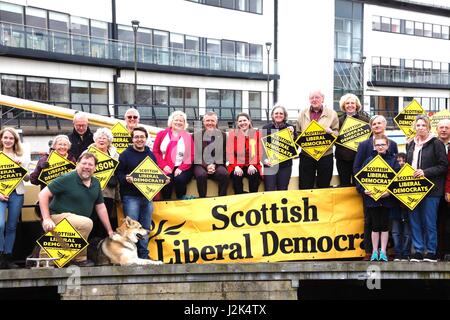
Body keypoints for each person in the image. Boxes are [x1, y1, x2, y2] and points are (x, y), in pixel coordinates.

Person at [39, 152, 114, 267]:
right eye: (84, 163)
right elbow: (43, 195)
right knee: (86, 223)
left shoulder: (96, 183)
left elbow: (101, 207)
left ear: (95, 168)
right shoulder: (67, 178)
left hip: (77, 223)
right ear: (77, 164)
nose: (87, 167)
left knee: (84, 223)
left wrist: (109, 230)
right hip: (57, 218)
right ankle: (76, 259)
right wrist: (46, 219)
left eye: (90, 164)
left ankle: (71, 258)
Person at [353, 115, 398, 260]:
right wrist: (362, 189)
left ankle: (385, 251)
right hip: (370, 193)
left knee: (386, 223)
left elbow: (397, 173)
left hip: (387, 196)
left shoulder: (393, 145)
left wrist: (389, 191)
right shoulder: (364, 146)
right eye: (374, 123)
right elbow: (358, 169)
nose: (377, 125)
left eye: (380, 123)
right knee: (369, 222)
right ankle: (369, 251)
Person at [406, 115, 448, 262]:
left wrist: (425, 172)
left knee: (430, 222)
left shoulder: (436, 143)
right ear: (414, 127)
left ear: (429, 127)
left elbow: (443, 166)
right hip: (413, 189)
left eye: (424, 125)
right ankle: (417, 251)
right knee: (414, 220)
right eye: (418, 125)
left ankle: (431, 251)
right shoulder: (410, 144)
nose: (421, 128)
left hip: (432, 189)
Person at [116, 127, 159, 260]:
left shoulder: (151, 155)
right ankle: (130, 256)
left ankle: (144, 255)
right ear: (132, 139)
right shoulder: (124, 155)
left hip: (147, 197)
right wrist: (126, 178)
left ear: (146, 139)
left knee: (145, 228)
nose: (139, 139)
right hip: (130, 197)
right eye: (136, 137)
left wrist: (164, 180)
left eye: (142, 137)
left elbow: (155, 174)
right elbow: (118, 174)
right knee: (131, 229)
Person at [296, 90, 339, 189]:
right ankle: (307, 204)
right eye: (312, 98)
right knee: (305, 185)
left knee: (324, 185)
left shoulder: (332, 113)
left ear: (322, 99)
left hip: (325, 155)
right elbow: (297, 133)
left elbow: (337, 132)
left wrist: (331, 133)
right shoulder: (302, 113)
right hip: (306, 156)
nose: (314, 100)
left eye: (317, 97)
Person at [0, 128, 30, 269]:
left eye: (11, 138)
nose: (8, 140)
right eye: (5, 137)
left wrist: (21, 167)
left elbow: (28, 178)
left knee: (12, 227)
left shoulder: (22, 156)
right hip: (0, 194)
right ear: (1, 139)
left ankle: (7, 257)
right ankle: (0, 253)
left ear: (15, 141)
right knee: (0, 225)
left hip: (17, 193)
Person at [153, 111, 194, 200]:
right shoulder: (161, 134)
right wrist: (163, 166)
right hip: (164, 165)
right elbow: (155, 152)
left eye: (181, 121)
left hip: (182, 166)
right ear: (171, 122)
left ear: (184, 124)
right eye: (176, 120)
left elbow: (190, 155)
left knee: (180, 179)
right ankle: (166, 201)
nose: (178, 122)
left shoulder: (187, 136)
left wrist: (181, 168)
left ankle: (181, 200)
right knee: (167, 179)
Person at [88, 128, 120, 239]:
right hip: (90, 192)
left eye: (104, 138)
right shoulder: (87, 152)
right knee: (92, 221)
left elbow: (118, 173)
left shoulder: (115, 155)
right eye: (99, 138)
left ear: (109, 141)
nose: (101, 140)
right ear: (95, 139)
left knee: (105, 222)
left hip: (108, 193)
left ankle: (102, 248)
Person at [334, 93, 370, 187]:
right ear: (343, 106)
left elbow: (370, 140)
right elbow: (334, 141)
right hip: (342, 159)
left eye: (352, 103)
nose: (350, 105)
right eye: (347, 103)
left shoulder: (366, 120)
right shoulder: (338, 121)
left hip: (359, 159)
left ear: (356, 105)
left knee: (359, 185)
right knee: (344, 184)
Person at [193, 111, 228, 198]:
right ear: (203, 122)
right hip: (200, 164)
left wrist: (214, 165)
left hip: (217, 163)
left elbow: (224, 154)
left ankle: (222, 199)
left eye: (212, 121)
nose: (210, 123)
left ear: (216, 122)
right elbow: (196, 155)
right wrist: (207, 166)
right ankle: (202, 199)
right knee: (201, 175)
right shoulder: (195, 135)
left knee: (224, 174)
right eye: (207, 120)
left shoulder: (223, 136)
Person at [262, 104, 296, 191]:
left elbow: (295, 149)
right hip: (270, 165)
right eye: (276, 113)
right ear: (272, 115)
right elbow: (261, 148)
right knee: (269, 189)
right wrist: (264, 160)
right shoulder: (266, 128)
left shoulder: (290, 128)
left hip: (285, 165)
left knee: (283, 190)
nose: (278, 115)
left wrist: (292, 136)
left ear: (284, 115)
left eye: (281, 113)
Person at [227, 112, 262, 194]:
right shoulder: (232, 134)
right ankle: (240, 199)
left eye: (244, 120)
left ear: (249, 121)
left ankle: (252, 200)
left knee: (254, 174)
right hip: (236, 164)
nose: (242, 123)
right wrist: (236, 166)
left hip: (252, 164)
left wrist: (252, 164)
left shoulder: (257, 134)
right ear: (237, 123)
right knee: (236, 176)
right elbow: (230, 153)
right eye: (240, 121)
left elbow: (259, 152)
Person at [389, 152, 411, 261]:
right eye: (398, 161)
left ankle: (406, 253)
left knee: (407, 232)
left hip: (408, 207)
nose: (401, 163)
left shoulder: (411, 175)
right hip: (395, 206)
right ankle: (398, 253)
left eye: (403, 161)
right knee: (395, 232)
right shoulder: (391, 175)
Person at [436, 118, 450, 261]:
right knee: (436, 222)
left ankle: (447, 251)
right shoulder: (433, 144)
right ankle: (438, 251)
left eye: (447, 127)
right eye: (441, 127)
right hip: (434, 190)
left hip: (448, 190)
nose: (444, 130)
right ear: (437, 129)